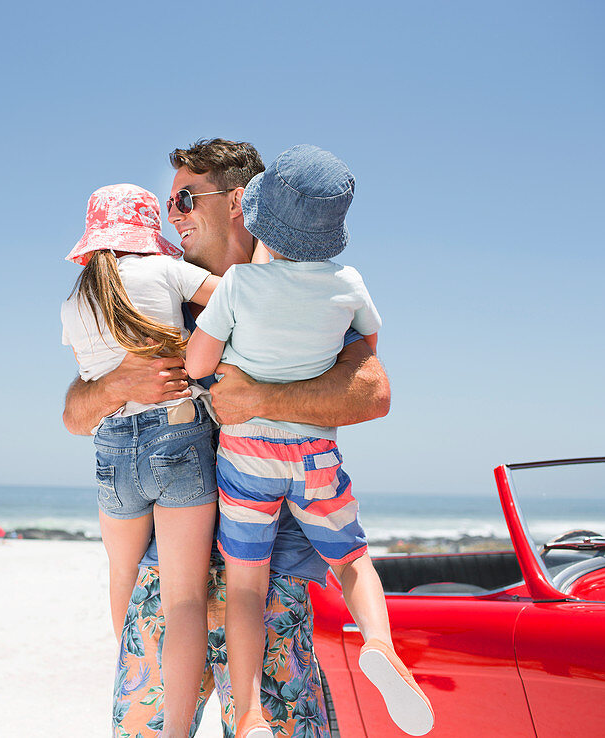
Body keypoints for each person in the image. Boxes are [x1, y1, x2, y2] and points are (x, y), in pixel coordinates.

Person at [62, 139, 390, 737]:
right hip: (170, 574)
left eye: (185, 198)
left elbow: (373, 391)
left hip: (272, 575)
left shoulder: (303, 291)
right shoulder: (153, 297)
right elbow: (75, 413)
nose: (173, 215)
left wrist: (260, 398)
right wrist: (115, 383)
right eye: (168, 203)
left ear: (238, 201)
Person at [185, 145, 432, 737]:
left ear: (256, 214)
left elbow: (198, 365)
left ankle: (246, 716)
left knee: (245, 583)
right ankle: (378, 644)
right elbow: (368, 346)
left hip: (247, 456)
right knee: (351, 561)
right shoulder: (347, 282)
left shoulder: (239, 284)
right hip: (315, 454)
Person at [61, 183, 221, 736]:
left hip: (110, 446)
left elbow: (87, 379)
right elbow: (234, 299)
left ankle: (137, 690)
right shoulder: (167, 273)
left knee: (124, 582)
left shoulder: (74, 301)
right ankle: (176, 727)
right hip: (176, 435)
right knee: (184, 599)